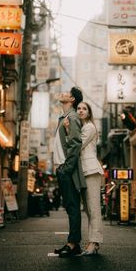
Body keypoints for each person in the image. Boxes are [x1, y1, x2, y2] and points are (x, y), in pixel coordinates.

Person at [65, 101, 104, 255]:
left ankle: (94, 242)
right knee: (88, 209)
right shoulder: (82, 127)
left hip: (92, 171)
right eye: (79, 108)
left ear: (89, 113)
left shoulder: (89, 127)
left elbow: (77, 145)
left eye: (84, 109)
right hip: (83, 172)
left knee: (93, 208)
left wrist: (68, 130)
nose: (81, 111)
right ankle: (94, 242)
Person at [53, 87, 86, 258]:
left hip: (68, 170)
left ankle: (73, 244)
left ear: (72, 99)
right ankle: (72, 243)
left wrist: (66, 168)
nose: (62, 93)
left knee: (72, 207)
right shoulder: (65, 117)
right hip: (63, 168)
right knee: (70, 207)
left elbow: (75, 144)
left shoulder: (72, 117)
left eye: (66, 92)